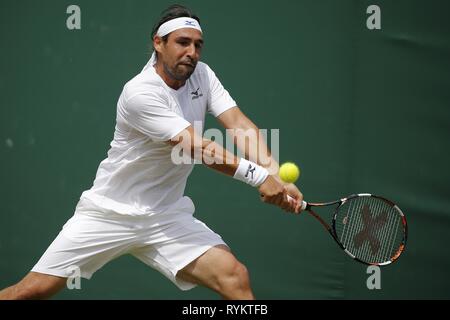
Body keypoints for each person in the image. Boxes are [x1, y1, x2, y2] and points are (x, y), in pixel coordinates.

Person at [0, 4, 303, 300]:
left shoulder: (203, 76)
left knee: (234, 277)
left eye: (198, 45)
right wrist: (259, 177)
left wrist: (274, 173)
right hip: (110, 213)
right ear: (158, 43)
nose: (192, 53)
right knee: (32, 292)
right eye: (183, 43)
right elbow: (198, 147)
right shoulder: (140, 93)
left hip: (166, 217)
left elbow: (237, 123)